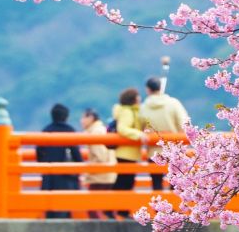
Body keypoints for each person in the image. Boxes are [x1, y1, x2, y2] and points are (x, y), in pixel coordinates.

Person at [139, 76, 189, 190]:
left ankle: (158, 207)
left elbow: (140, 128)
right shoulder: (174, 103)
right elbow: (184, 124)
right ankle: (175, 207)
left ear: (148, 90)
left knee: (156, 184)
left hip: (154, 152)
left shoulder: (143, 107)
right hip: (173, 150)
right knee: (175, 184)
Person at [36, 103, 82, 219]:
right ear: (66, 117)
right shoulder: (70, 131)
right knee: (65, 208)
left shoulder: (46, 130)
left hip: (49, 176)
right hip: (66, 177)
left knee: (50, 208)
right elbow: (77, 155)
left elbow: (39, 152)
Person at [111, 88, 147, 218]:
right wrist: (138, 134)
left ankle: (121, 210)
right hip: (126, 152)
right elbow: (122, 128)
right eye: (138, 96)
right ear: (133, 99)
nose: (140, 98)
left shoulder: (132, 111)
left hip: (128, 152)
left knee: (126, 181)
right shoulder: (127, 111)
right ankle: (117, 209)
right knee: (124, 182)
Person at [80, 108, 116, 220]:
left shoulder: (95, 133)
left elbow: (101, 156)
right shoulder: (101, 129)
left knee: (93, 209)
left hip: (99, 175)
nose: (81, 121)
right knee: (105, 208)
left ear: (91, 118)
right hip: (108, 173)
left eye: (83, 117)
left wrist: (88, 172)